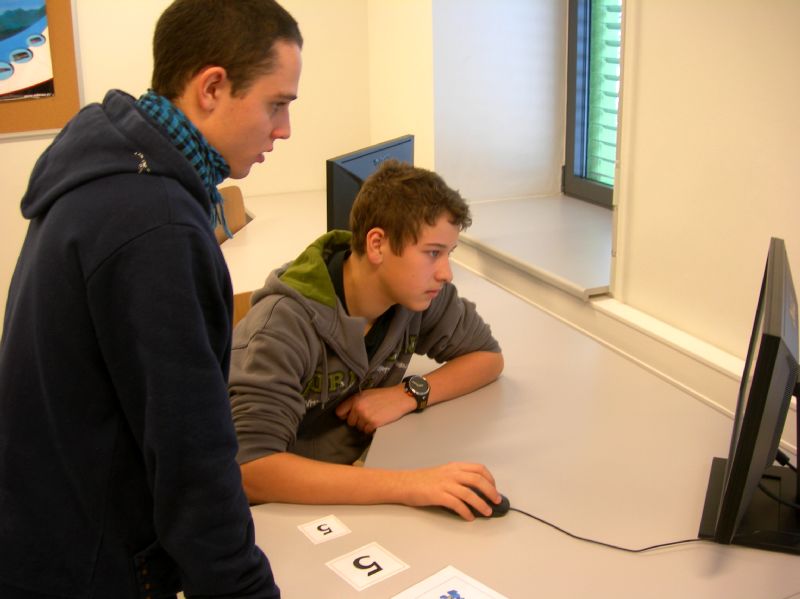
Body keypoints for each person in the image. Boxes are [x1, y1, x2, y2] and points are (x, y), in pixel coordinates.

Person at [0, 1, 302, 597]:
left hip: (43, 532)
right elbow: (193, 458)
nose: (284, 128)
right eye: (276, 104)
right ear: (211, 88)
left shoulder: (111, 172)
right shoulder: (155, 223)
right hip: (91, 566)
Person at [229, 160, 505, 521]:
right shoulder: (281, 327)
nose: (446, 273)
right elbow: (251, 470)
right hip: (283, 510)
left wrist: (407, 395)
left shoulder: (415, 294)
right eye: (433, 253)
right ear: (377, 245)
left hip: (359, 474)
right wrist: (410, 486)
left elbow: (487, 357)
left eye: (448, 254)